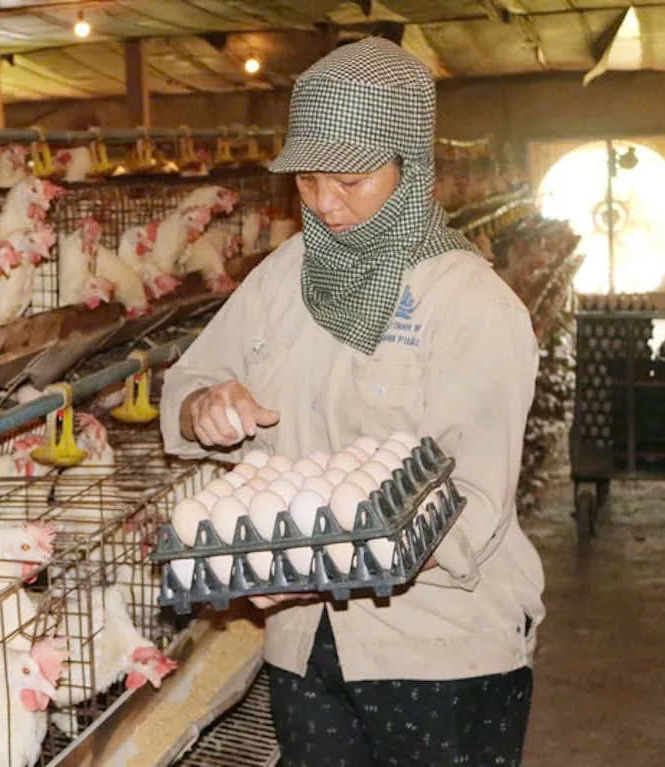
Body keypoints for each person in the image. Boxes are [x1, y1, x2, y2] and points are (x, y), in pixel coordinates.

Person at [159, 38, 544, 765]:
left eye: (351, 179)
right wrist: (202, 404)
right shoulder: (282, 277)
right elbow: (185, 383)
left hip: (439, 651)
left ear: (410, 168)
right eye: (306, 179)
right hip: (303, 650)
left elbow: (471, 508)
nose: (324, 202)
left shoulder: (472, 305)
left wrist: (305, 568)